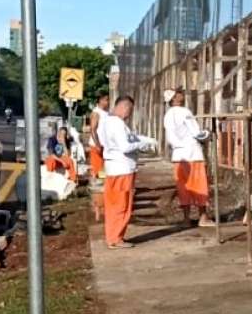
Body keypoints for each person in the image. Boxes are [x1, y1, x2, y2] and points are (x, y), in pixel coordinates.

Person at [99, 95, 153, 249]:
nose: (129, 114)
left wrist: (141, 140)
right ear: (124, 107)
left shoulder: (107, 122)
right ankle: (116, 238)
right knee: (122, 205)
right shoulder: (118, 124)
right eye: (129, 110)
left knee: (113, 205)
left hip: (113, 169)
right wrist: (141, 144)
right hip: (122, 170)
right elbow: (125, 146)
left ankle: (112, 236)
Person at [164, 88, 213, 227]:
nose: (182, 95)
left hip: (178, 156)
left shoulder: (167, 115)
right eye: (178, 94)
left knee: (183, 187)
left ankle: (186, 219)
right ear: (174, 98)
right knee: (199, 186)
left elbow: (170, 137)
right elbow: (197, 133)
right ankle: (202, 218)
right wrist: (208, 134)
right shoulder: (185, 112)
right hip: (192, 154)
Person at [88, 92, 110, 180]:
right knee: (97, 169)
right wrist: (97, 145)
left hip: (105, 145)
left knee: (103, 170)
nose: (108, 102)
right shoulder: (96, 113)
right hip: (97, 145)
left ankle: (102, 189)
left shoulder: (106, 113)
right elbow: (93, 129)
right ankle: (96, 189)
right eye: (106, 100)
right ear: (100, 101)